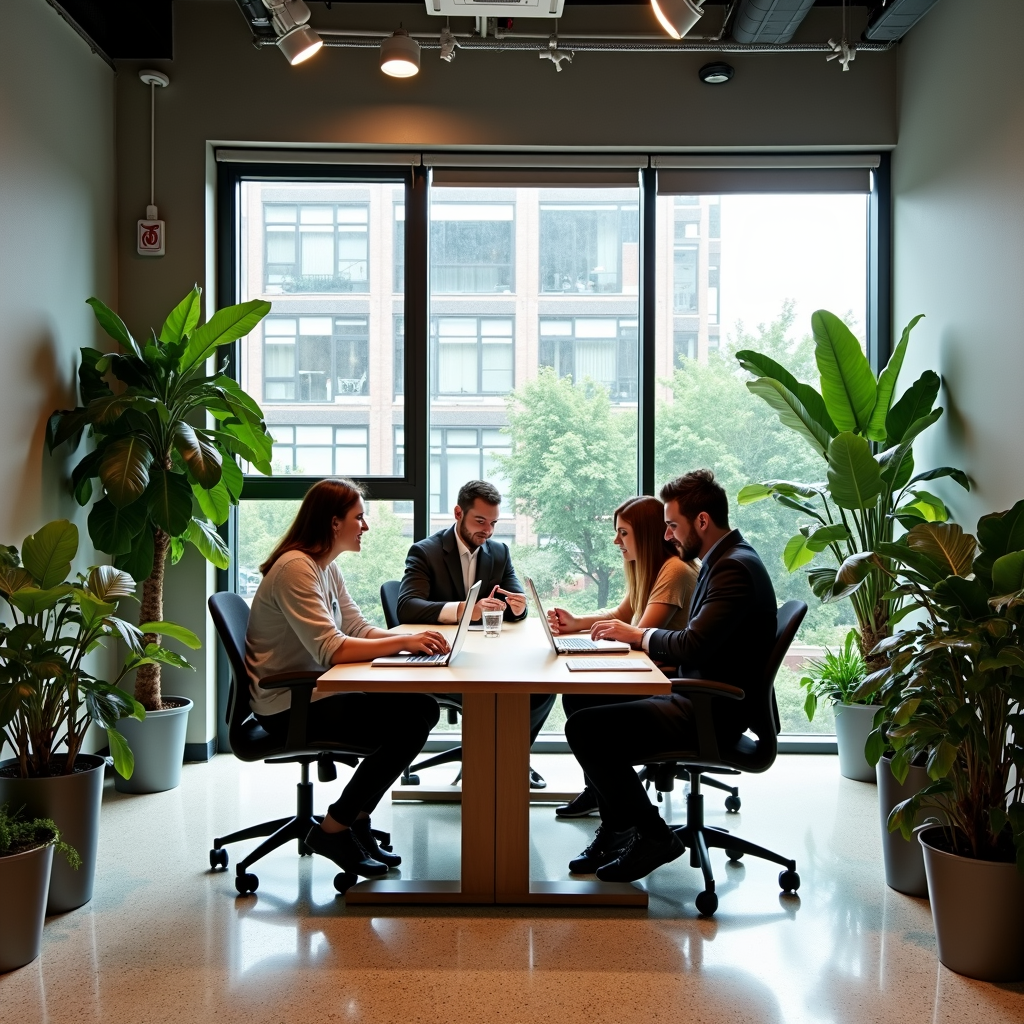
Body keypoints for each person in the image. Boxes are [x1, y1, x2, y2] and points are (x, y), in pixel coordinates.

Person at [563, 469, 778, 883]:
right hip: (699, 696)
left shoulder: (733, 568)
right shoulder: (725, 560)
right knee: (582, 700)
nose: (668, 536)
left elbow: (692, 645)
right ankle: (616, 829)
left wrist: (641, 637)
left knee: (586, 729)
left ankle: (653, 835)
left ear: (702, 521)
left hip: (708, 711)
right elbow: (700, 645)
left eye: (674, 525)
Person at [245, 479, 448, 879]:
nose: (365, 526)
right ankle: (335, 828)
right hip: (290, 705)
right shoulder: (295, 569)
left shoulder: (325, 566)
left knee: (421, 706)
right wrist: (403, 640)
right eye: (359, 517)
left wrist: (410, 641)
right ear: (333, 522)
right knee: (409, 721)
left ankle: (355, 819)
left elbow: (357, 627)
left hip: (317, 691)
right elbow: (332, 649)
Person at [548, 495, 700, 818]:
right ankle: (599, 790)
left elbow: (639, 633)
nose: (616, 540)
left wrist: (603, 638)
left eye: (624, 533)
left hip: (669, 681)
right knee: (575, 700)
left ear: (645, 534)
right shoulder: (649, 567)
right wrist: (576, 622)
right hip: (651, 671)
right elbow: (621, 614)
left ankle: (612, 800)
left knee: (582, 704)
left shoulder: (673, 571)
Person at [397, 479, 556, 787]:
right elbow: (407, 607)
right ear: (459, 513)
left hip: (487, 655)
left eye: (494, 522)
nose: (488, 530)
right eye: (480, 521)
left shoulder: (498, 552)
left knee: (542, 688)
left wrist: (519, 606)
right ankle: (493, 765)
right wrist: (463, 610)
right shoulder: (425, 552)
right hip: (443, 661)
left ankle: (514, 757)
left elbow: (515, 607)